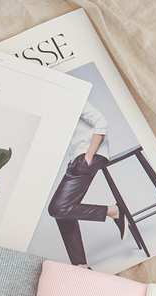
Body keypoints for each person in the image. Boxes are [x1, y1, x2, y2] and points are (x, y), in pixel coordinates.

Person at [47, 101, 126, 268]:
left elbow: (101, 121)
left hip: (88, 157)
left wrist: (88, 156)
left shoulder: (74, 97)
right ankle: (81, 266)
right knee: (62, 212)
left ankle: (113, 211)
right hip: (78, 159)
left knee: (58, 208)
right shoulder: (55, 105)